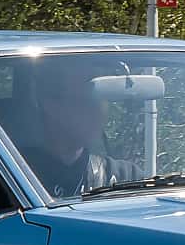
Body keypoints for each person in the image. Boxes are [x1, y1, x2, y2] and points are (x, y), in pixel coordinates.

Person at [16, 60, 140, 197]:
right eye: (88, 100)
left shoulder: (125, 177)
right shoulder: (11, 176)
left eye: (103, 99)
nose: (100, 112)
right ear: (50, 104)